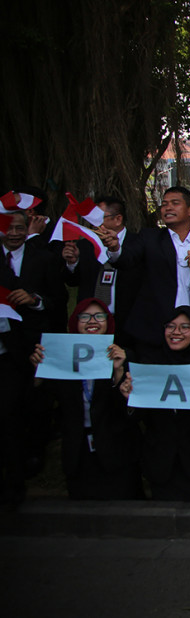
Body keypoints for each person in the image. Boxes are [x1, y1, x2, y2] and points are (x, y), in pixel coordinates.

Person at [29, 299, 142, 500]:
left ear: (108, 322)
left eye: (99, 316)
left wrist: (118, 374)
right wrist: (39, 375)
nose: (93, 321)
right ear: (75, 322)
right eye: (85, 316)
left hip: (117, 452)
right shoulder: (60, 358)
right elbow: (42, 407)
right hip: (78, 451)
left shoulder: (125, 357)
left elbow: (132, 414)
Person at [97, 186, 190, 357]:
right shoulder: (149, 238)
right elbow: (126, 259)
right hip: (154, 331)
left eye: (175, 203)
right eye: (164, 204)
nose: (168, 208)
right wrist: (115, 248)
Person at [126, 306, 190, 501]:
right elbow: (139, 418)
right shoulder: (150, 365)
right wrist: (131, 400)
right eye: (170, 326)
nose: (176, 332)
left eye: (184, 327)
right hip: (162, 465)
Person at [1, 209, 67, 497]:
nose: (14, 234)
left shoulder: (43, 258)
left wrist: (35, 300)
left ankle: (29, 462)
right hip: (4, 348)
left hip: (33, 345)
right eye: (8, 229)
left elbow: (59, 300)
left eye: (19, 228)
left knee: (32, 405)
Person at [61, 196, 140, 341]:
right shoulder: (85, 245)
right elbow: (73, 281)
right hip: (91, 325)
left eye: (98, 218)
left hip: (127, 323)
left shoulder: (138, 243)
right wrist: (72, 263)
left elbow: (130, 265)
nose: (93, 223)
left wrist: (115, 249)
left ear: (118, 219)